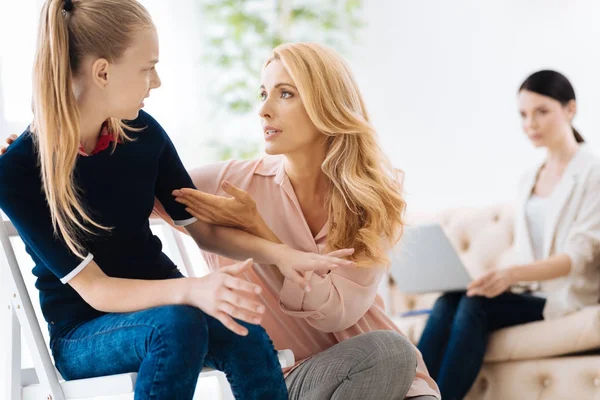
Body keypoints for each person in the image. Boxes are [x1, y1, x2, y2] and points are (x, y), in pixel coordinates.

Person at [0, 2, 354, 399]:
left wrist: (282, 254)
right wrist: (192, 290)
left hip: (171, 311)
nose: (157, 82)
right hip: (86, 333)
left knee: (240, 327)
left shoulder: (143, 133)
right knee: (179, 324)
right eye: (147, 68)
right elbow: (97, 290)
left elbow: (202, 231)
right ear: (103, 72)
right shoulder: (19, 171)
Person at [151, 42, 441, 400]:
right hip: (281, 379)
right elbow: (124, 201)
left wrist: (259, 230)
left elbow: (334, 314)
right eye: (263, 93)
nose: (264, 110)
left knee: (392, 353)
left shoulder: (368, 200)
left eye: (285, 94)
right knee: (389, 350)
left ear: (326, 105)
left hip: (380, 373)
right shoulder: (229, 182)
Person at [416, 70, 600, 400]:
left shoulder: (592, 173)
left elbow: (578, 256)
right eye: (524, 114)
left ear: (570, 109)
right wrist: (490, 277)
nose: (531, 123)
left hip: (567, 296)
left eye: (542, 112)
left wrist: (510, 274)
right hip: (531, 290)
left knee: (476, 306)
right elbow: (531, 249)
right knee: (449, 301)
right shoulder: (528, 178)